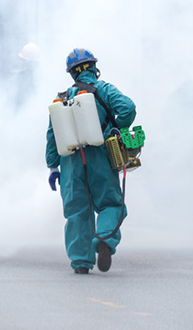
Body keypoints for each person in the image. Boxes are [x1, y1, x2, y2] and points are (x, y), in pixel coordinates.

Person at [46, 48, 136, 274]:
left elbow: (52, 134)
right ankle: (105, 239)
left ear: (72, 74)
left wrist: (52, 167)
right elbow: (128, 108)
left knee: (77, 211)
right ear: (94, 68)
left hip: (69, 163)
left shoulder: (62, 98)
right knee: (110, 204)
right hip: (100, 157)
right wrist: (116, 128)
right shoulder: (103, 89)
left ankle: (80, 262)